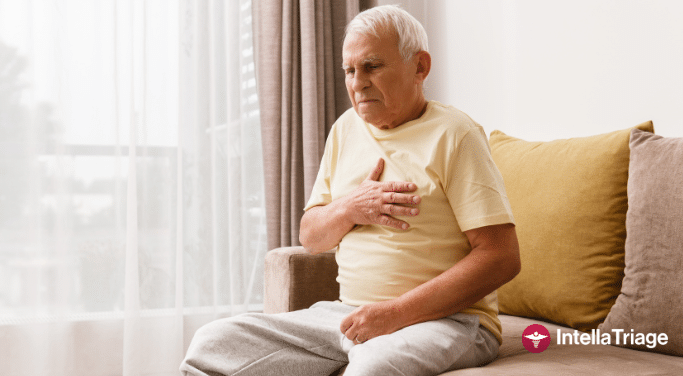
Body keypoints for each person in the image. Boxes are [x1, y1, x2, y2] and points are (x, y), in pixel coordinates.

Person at [180, 5, 520, 376]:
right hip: (347, 315)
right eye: (349, 70)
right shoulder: (344, 130)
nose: (357, 82)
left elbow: (500, 256)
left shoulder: (457, 134)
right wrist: (350, 209)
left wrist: (394, 313)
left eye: (372, 66)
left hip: (448, 321)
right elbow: (311, 236)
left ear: (420, 67)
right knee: (212, 343)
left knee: (372, 368)